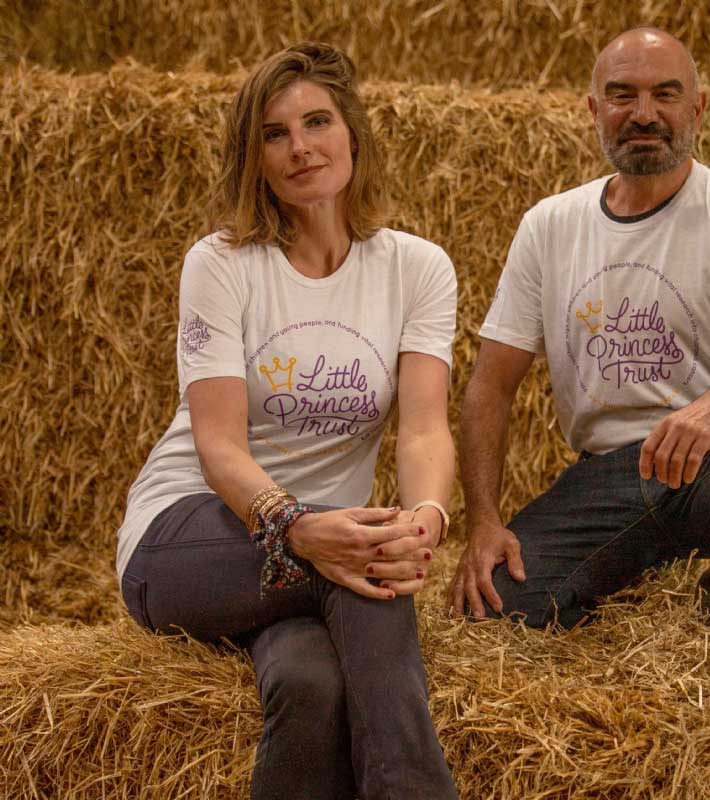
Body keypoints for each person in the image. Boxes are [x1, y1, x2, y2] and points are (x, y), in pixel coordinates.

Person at [117, 42, 459, 799]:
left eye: (317, 121)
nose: (301, 147)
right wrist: (294, 524)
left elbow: (428, 428)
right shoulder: (223, 264)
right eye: (275, 134)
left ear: (353, 133)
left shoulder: (418, 268)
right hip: (192, 536)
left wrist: (426, 520)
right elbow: (217, 446)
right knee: (368, 568)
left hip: (320, 555)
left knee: (312, 684)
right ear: (256, 158)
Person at [448, 27, 710, 647]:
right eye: (621, 95)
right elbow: (490, 387)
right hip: (608, 476)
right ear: (592, 110)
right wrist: (483, 523)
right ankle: (634, 567)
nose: (644, 114)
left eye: (665, 94)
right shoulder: (549, 225)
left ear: (699, 107)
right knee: (495, 614)